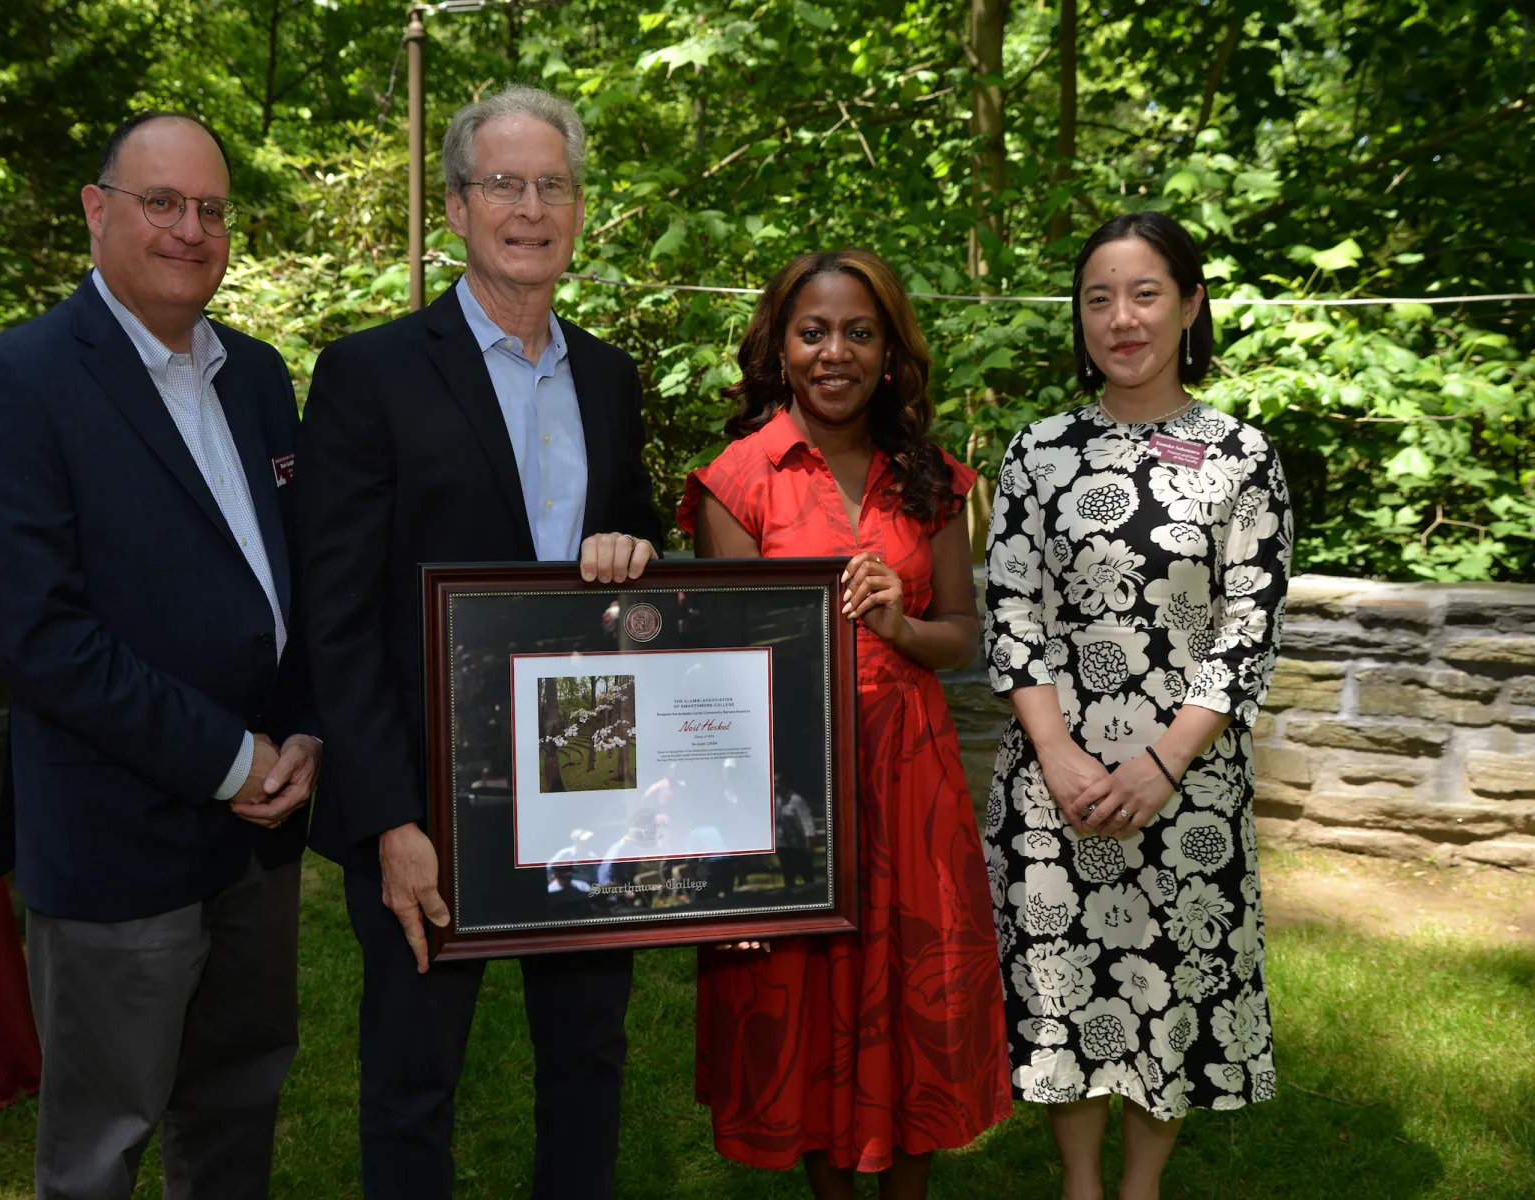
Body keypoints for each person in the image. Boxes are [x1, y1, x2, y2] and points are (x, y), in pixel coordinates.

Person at [296, 84, 663, 1199]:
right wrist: (390, 818)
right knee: (413, 1078)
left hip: (589, 773)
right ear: (456, 207)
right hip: (431, 794)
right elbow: (338, 614)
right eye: (504, 183)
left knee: (588, 1056)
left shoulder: (607, 376)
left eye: (553, 185)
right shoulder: (369, 374)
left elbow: (638, 532)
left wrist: (631, 548)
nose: (530, 206)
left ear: (580, 211)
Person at [0, 111, 320, 1198]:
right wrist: (230, 757)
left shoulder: (254, 374)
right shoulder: (18, 382)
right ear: (97, 210)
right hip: (119, 837)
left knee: (239, 1104)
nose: (191, 229)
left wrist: (300, 733)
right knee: (101, 1144)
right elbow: (43, 638)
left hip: (261, 836)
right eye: (163, 202)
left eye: (210, 209)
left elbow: (286, 583)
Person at [683, 249, 1012, 1197]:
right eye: (813, 331)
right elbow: (724, 674)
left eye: (859, 332)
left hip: (911, 779)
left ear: (889, 349)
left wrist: (898, 623)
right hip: (789, 784)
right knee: (814, 1007)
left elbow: (959, 635)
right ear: (780, 348)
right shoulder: (738, 481)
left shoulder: (933, 481)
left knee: (911, 1013)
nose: (837, 352)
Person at [983, 210, 1292, 1200]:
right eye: (1098, 298)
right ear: (1077, 318)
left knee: (1171, 970)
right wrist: (1060, 756)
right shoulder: (1037, 452)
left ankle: (1141, 1184)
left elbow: (1250, 624)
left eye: (1145, 293)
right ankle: (1079, 1181)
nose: (1122, 318)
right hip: (1054, 782)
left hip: (1184, 783)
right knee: (1067, 981)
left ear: (1190, 304)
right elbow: (1011, 609)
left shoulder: (1241, 456)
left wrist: (1162, 763)